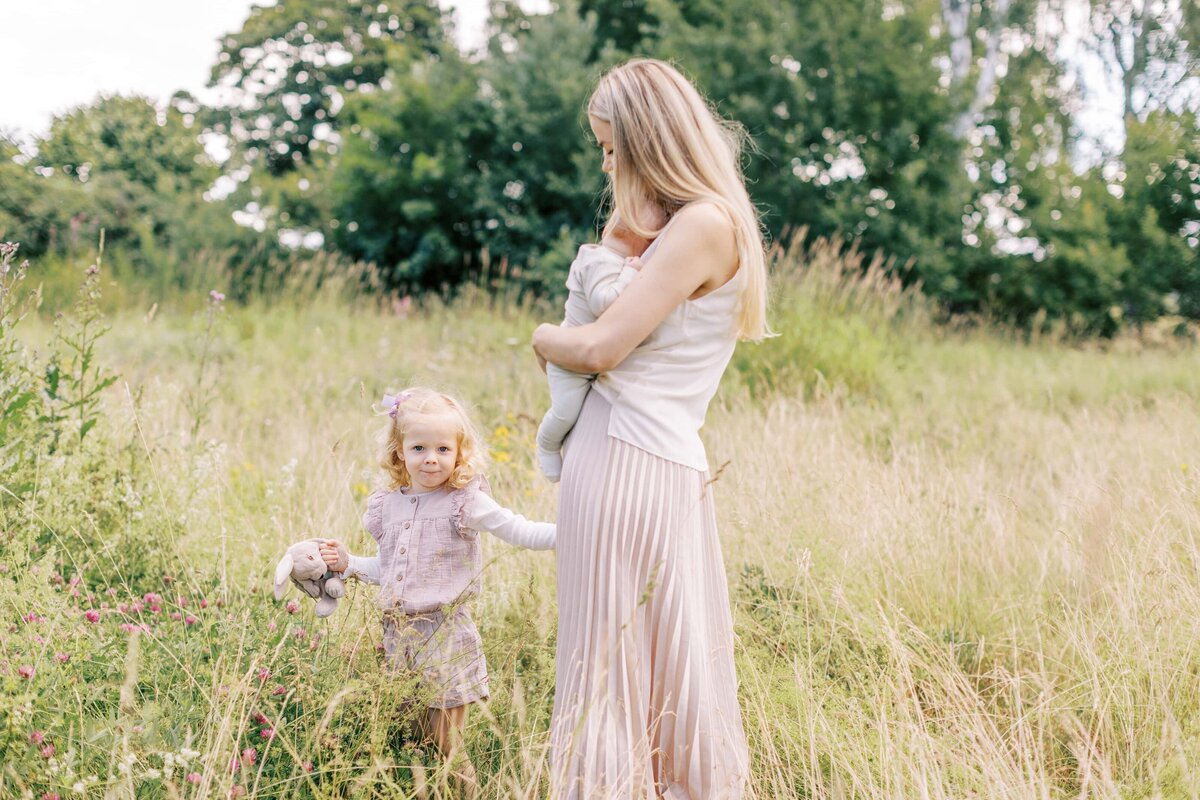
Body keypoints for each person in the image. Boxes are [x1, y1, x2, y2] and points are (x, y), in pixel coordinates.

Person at [531, 58, 770, 799]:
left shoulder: (702, 225)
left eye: (609, 147)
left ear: (646, 140)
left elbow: (600, 346)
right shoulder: (696, 227)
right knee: (668, 663)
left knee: (606, 673)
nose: (605, 163)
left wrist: (542, 336)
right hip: (664, 465)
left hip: (627, 456)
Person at [316, 387, 555, 793]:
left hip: (444, 636)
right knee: (414, 742)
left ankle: (467, 793)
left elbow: (518, 528)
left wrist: (574, 531)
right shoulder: (387, 505)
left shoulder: (465, 503)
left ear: (459, 452)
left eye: (444, 448)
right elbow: (392, 571)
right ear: (399, 451)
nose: (431, 458)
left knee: (448, 746)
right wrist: (349, 564)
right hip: (398, 639)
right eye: (419, 447)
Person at [535, 212, 661, 481]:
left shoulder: (607, 260)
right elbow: (602, 303)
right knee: (565, 411)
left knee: (578, 414)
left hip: (587, 358)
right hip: (570, 359)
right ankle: (546, 444)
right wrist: (631, 273)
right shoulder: (599, 260)